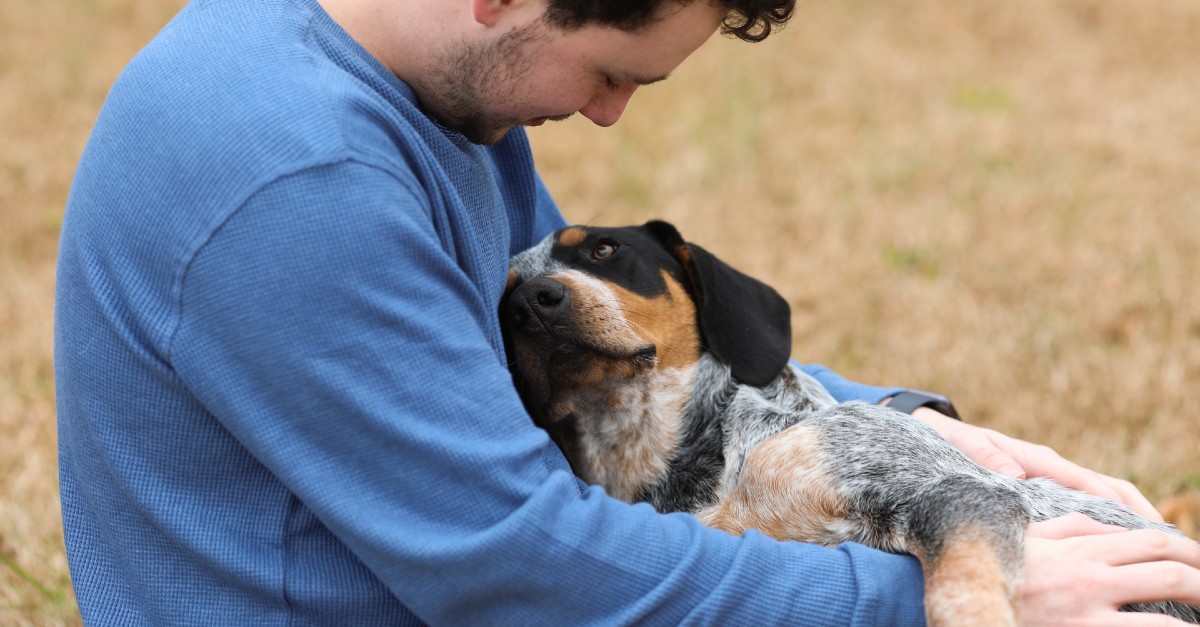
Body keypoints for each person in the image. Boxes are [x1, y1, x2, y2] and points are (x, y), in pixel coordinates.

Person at [54, 0, 1200, 624]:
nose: (606, 118)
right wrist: (936, 593)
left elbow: (624, 363)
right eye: (614, 74)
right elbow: (515, 566)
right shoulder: (298, 178)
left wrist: (907, 424)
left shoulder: (431, 101)